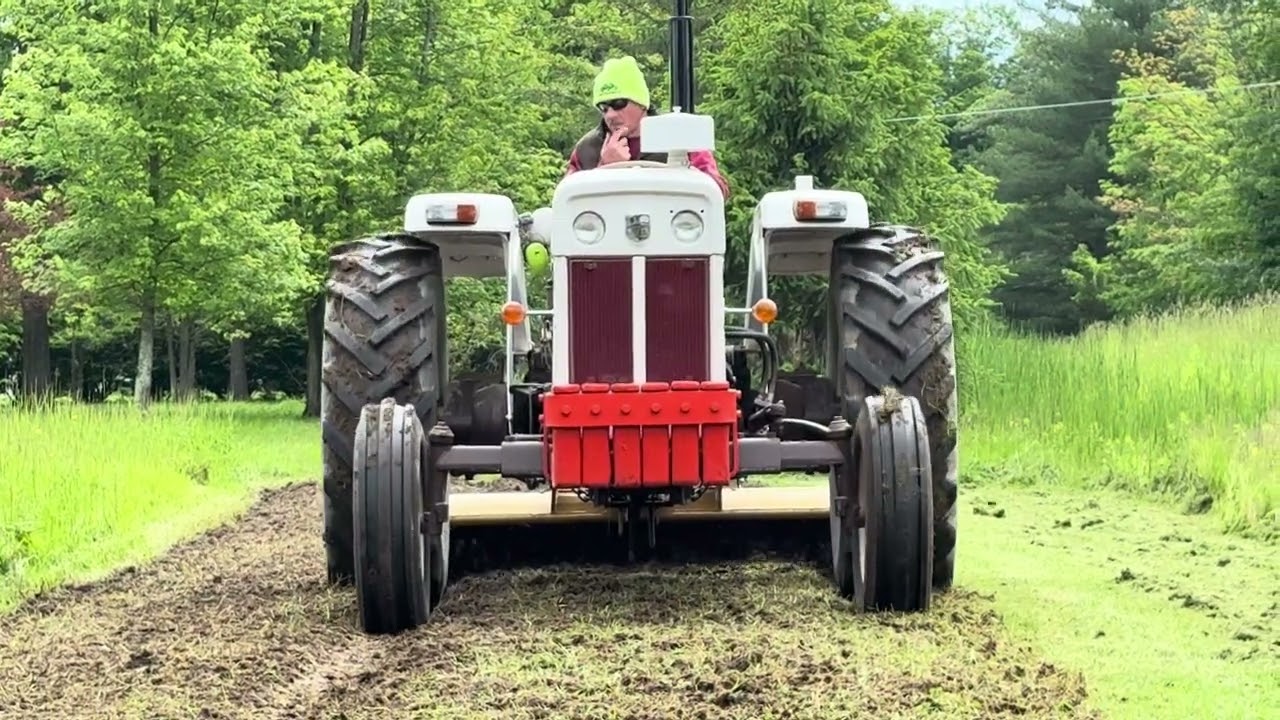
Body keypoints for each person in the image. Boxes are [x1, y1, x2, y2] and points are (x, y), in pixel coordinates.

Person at [564, 56, 729, 198]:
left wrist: (684, 173)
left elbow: (716, 191)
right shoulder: (587, 148)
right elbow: (566, 199)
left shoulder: (679, 135)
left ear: (642, 104)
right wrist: (605, 168)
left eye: (619, 103)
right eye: (604, 108)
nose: (610, 115)